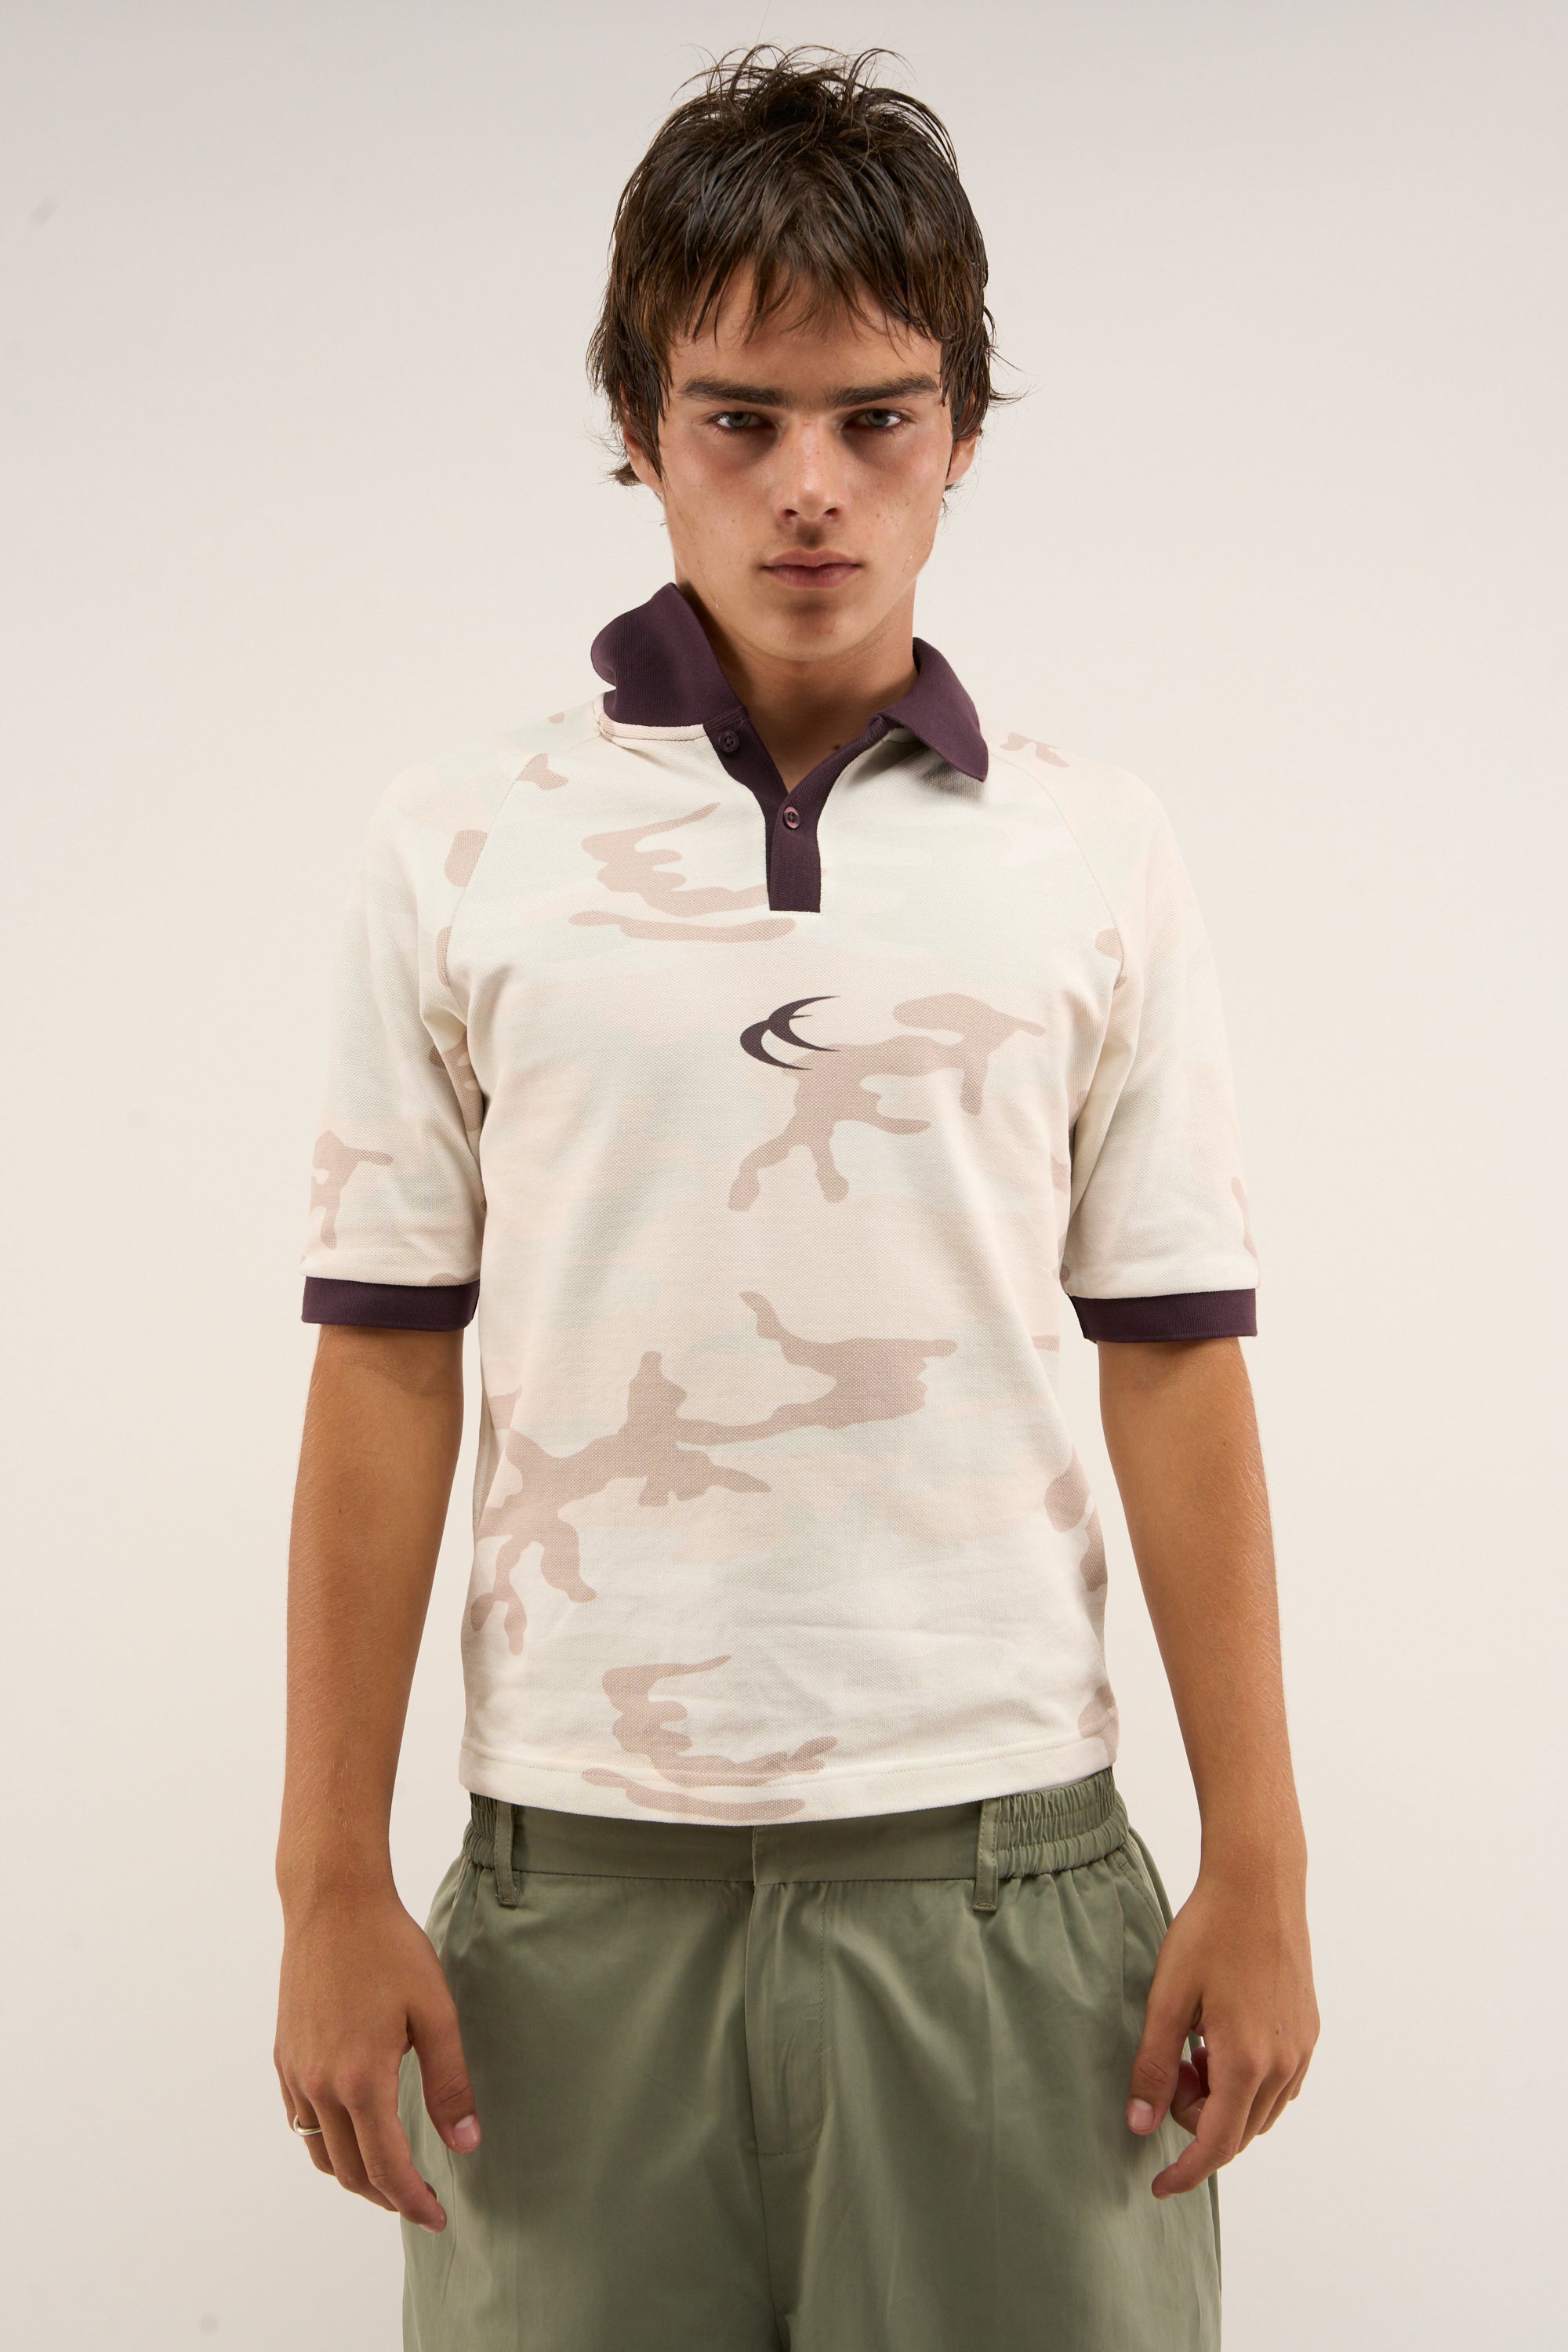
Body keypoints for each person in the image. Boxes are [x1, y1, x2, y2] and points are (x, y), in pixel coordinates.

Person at [274, 44, 1318, 2352]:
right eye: (739, 418)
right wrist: (323, 1877)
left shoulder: (1094, 850)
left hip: (1004, 1885)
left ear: (963, 433)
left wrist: (1263, 1856)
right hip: (573, 1899)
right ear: (637, 427)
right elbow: (383, 1366)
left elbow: (1176, 1366)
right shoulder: (463, 845)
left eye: (877, 416)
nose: (812, 485)